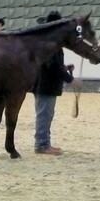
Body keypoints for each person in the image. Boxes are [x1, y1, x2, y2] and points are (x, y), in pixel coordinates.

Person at [33, 10, 76, 154]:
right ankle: (42, 144)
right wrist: (70, 79)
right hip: (46, 84)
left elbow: (51, 65)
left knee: (45, 113)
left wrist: (64, 67)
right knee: (45, 114)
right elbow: (52, 66)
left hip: (44, 83)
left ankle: (44, 142)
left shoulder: (47, 42)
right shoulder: (50, 43)